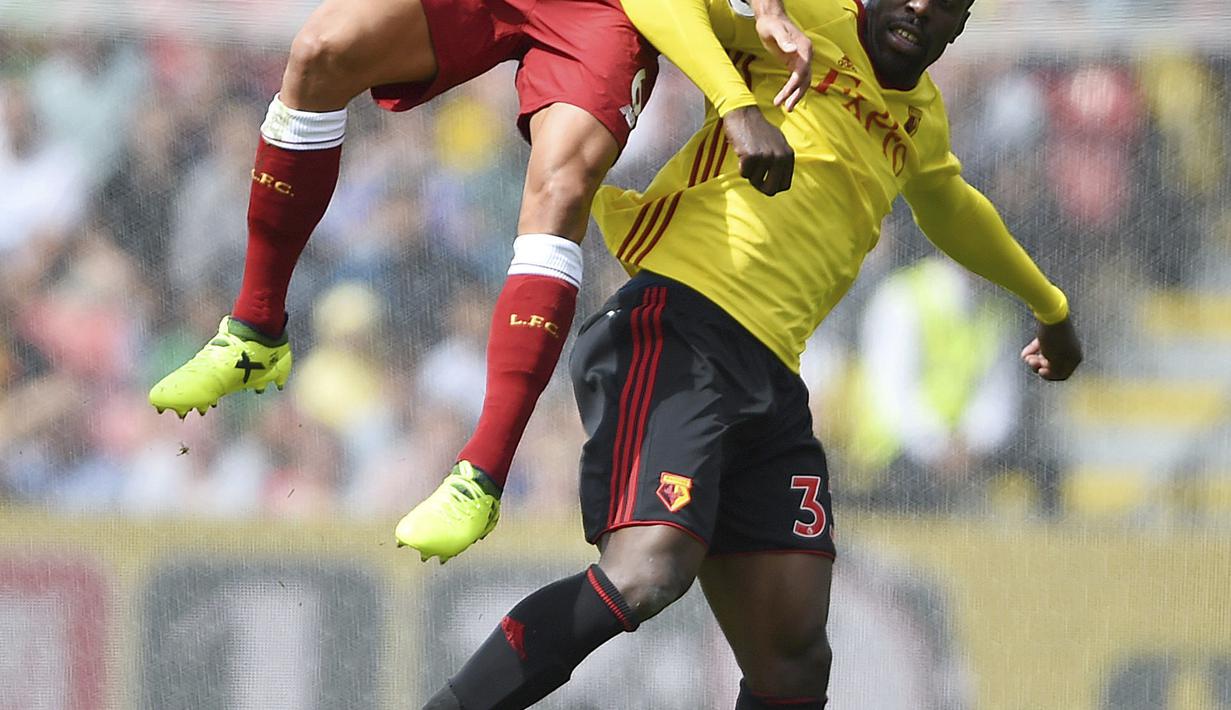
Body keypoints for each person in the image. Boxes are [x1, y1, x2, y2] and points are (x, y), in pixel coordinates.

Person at [421, 0, 1083, 707]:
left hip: (771, 377)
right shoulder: (802, 19)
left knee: (793, 662)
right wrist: (736, 104)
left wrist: (1050, 306)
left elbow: (948, 202)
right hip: (676, 326)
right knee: (646, 572)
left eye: (945, 2)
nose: (920, 5)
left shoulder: (920, 116)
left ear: (960, 22)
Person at [146, 0, 813, 560]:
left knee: (558, 190)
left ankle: (480, 475)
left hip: (613, 13)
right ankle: (256, 328)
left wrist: (736, 90)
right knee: (318, 51)